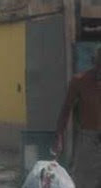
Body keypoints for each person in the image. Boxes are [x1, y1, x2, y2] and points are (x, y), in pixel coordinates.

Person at [53, 46, 101, 188]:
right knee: (83, 182)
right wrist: (59, 137)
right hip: (88, 140)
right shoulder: (80, 81)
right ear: (94, 62)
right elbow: (66, 110)